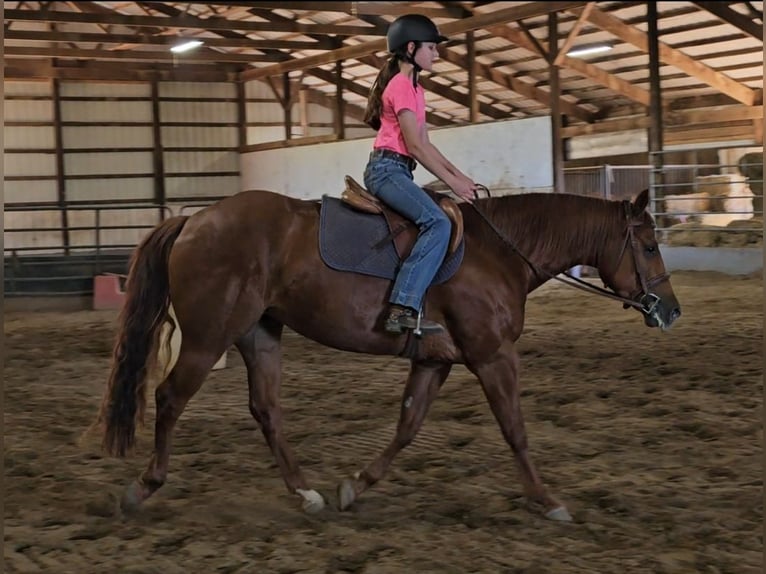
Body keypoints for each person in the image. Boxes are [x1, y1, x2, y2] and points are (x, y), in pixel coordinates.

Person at [362, 13, 478, 336]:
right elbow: (414, 146)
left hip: (400, 170)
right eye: (432, 48)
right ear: (411, 48)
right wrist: (452, 182)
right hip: (386, 170)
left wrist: (459, 176)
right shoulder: (400, 86)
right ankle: (402, 307)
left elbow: (426, 143)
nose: (437, 54)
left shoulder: (416, 89)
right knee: (438, 223)